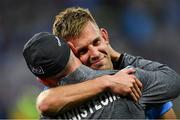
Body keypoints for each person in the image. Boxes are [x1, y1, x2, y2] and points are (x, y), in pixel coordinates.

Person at [45, 7, 179, 119]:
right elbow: (45, 103)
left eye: (96, 42)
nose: (95, 54)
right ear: (71, 57)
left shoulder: (134, 81)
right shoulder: (66, 96)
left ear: (104, 36)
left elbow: (173, 83)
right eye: (83, 51)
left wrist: (120, 57)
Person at [23, 32, 180, 119]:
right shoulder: (127, 80)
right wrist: (119, 58)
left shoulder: (52, 116)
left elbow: (45, 103)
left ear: (43, 80)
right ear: (72, 48)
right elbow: (173, 82)